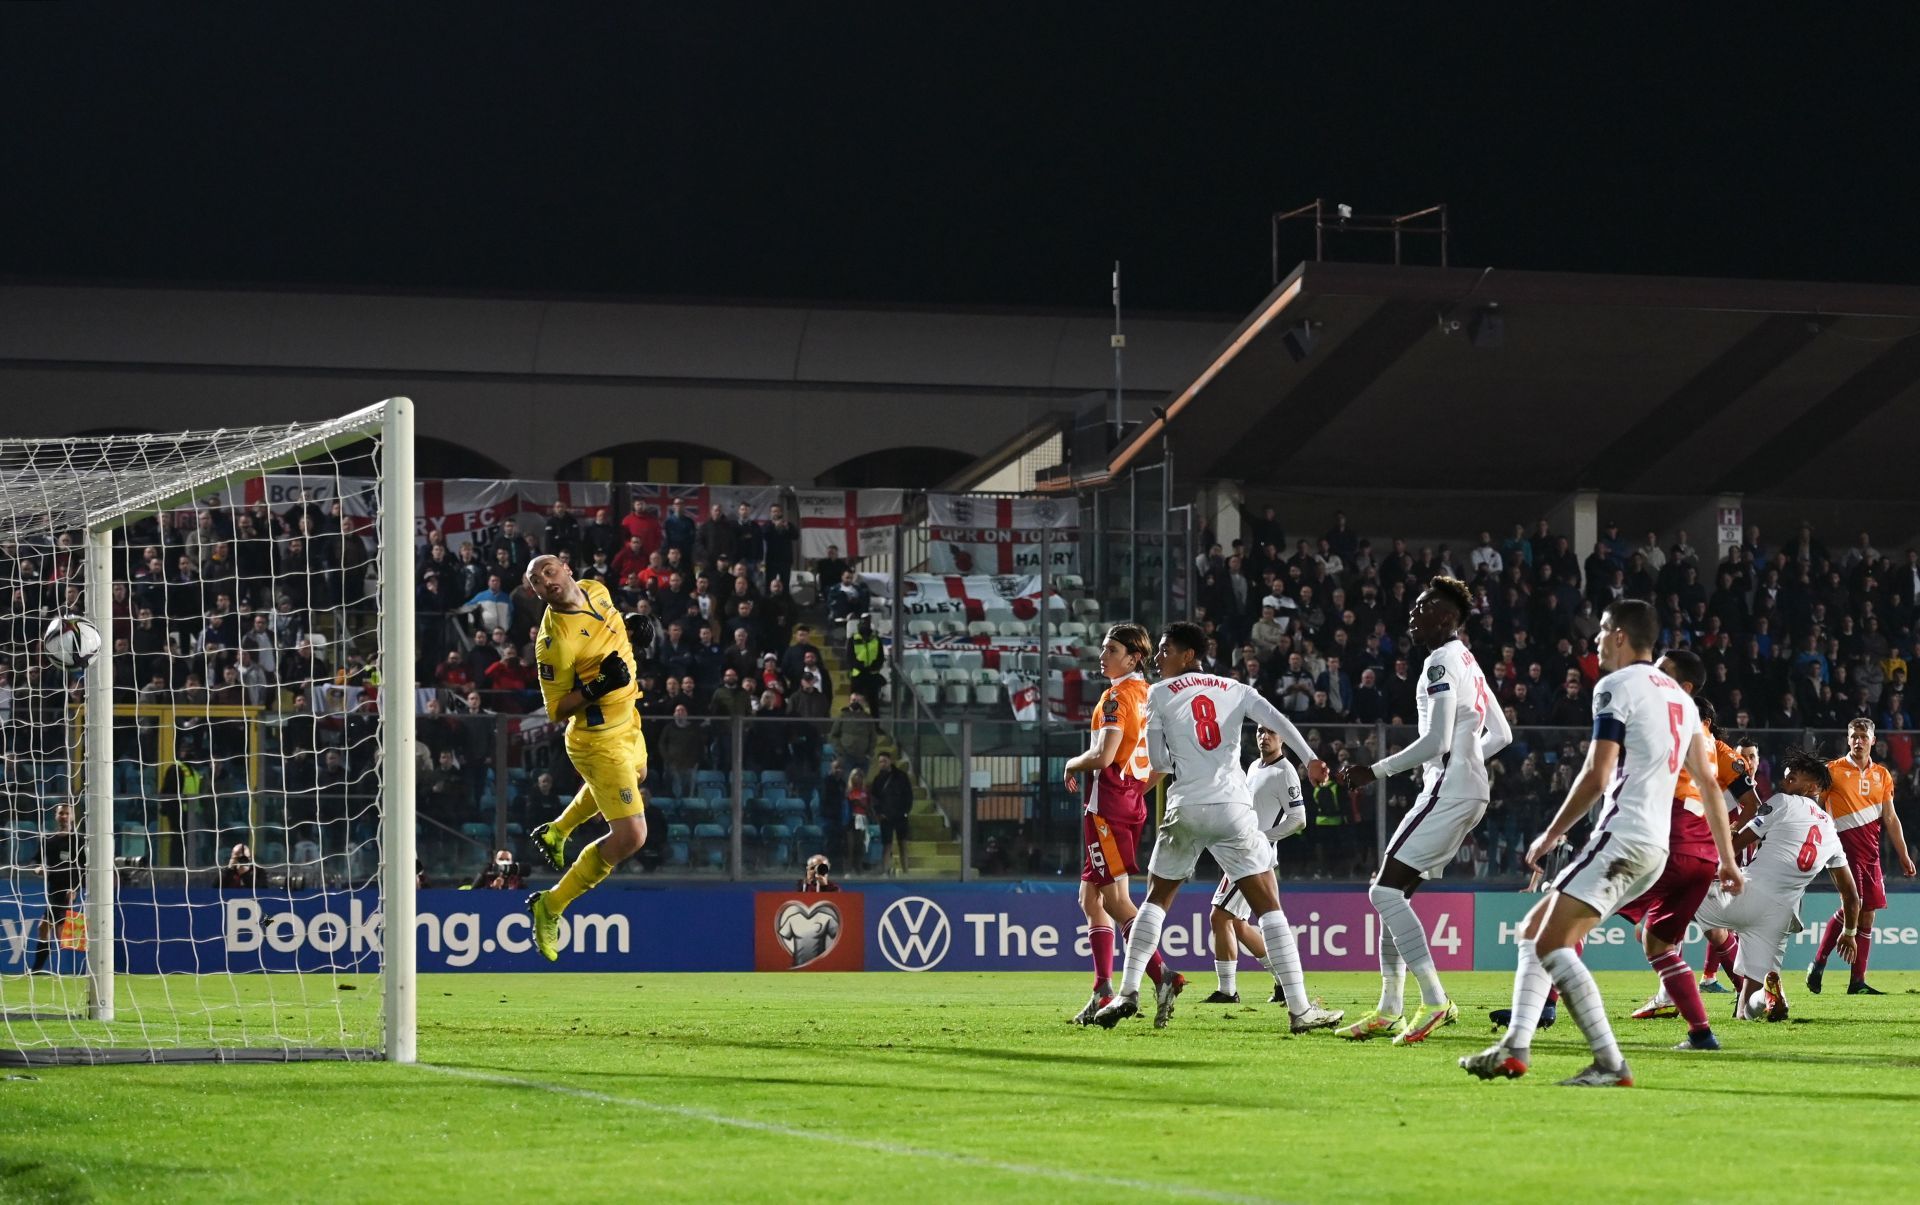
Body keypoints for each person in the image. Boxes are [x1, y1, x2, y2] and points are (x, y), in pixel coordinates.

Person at [1462, 599, 1742, 1087]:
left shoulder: (1616, 686)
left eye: (1601, 632)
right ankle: (1516, 1047)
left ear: (1618, 635)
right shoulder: (1683, 703)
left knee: (1548, 939)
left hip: (1624, 835)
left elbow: (1598, 772)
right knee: (1537, 932)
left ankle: (1608, 1061)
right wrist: (1729, 860)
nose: (1594, 641)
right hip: (1656, 846)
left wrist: (1552, 833)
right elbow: (1712, 786)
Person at [1091, 622, 1342, 1035]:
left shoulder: (1157, 694)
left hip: (1186, 807)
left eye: (1166, 649)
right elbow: (1277, 717)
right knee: (1269, 909)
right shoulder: (1235, 689)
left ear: (1189, 654)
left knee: (1154, 902)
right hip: (1231, 809)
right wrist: (1312, 759)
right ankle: (1300, 1009)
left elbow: (1159, 761)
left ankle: (1128, 993)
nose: (1158, 658)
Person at [1337, 577, 1513, 1045]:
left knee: (1382, 894)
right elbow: (1501, 734)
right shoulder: (1469, 661)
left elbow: (1435, 741)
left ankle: (1434, 1000)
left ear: (1448, 616)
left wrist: (1372, 771)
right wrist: (1469, 757)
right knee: (1393, 894)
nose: (1413, 615)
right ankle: (1390, 1007)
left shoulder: (1439, 662)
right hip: (1465, 789)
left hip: (1448, 790)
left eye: (1423, 607)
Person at [1617, 660, 1760, 1051]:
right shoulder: (1721, 752)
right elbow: (1747, 803)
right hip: (1706, 847)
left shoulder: (1690, 735)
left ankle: (1541, 1008)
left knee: (1581, 908)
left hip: (1683, 842)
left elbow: (1751, 804)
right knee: (1689, 929)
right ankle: (1720, 1005)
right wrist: (1728, 843)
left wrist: (1730, 836)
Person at [522, 554, 652, 962]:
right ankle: (552, 904)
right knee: (632, 836)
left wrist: (631, 627)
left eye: (548, 571)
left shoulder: (597, 590)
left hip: (627, 718)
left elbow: (608, 630)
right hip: (597, 738)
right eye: (536, 581)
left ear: (566, 567)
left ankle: (558, 830)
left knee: (640, 772)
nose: (545, 580)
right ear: (536, 593)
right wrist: (598, 687)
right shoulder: (554, 641)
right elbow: (557, 709)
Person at [1061, 623, 1176, 1025]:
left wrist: (1072, 762)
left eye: (1111, 649)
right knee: (1090, 899)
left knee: (1114, 901)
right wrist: (1133, 792)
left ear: (1133, 657)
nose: (1102, 655)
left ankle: (1162, 976)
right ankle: (1102, 987)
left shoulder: (1116, 698)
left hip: (1107, 808)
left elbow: (1105, 755)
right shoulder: (1152, 696)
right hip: (1127, 802)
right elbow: (1165, 763)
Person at [1698, 752, 1858, 1021]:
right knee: (1746, 1012)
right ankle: (1770, 995)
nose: (1784, 783)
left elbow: (1735, 844)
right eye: (1784, 778)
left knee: (1677, 897)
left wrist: (1712, 840)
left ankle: (1666, 992)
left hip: (1749, 893)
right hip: (1781, 916)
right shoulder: (1831, 831)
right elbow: (1851, 896)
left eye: (1792, 778)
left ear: (1813, 788)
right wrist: (1850, 932)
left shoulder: (1783, 802)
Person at [1807, 718, 1916, 994]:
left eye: (1863, 736)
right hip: (1843, 852)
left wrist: (1903, 855)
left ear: (1873, 740)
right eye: (1853, 736)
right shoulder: (1831, 771)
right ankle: (1819, 964)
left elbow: (1890, 818)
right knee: (1853, 906)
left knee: (1867, 916)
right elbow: (1814, 809)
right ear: (1847, 739)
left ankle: (1856, 982)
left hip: (1871, 854)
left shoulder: (1882, 774)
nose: (1858, 741)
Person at [1203, 725, 1308, 1007]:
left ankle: (1227, 991)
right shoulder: (1254, 766)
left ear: (1282, 737)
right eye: (1260, 731)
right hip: (1242, 853)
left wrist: (1262, 838)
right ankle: (1283, 981)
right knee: (1236, 923)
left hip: (1253, 856)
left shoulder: (1285, 772)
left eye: (1271, 732)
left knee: (1219, 916)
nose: (1264, 736)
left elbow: (1298, 818)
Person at [29, 803, 82, 973]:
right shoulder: (48, 840)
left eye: (67, 813)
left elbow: (85, 868)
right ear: (56, 816)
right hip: (53, 889)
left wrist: (76, 888)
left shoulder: (79, 840)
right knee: (52, 930)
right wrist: (38, 869)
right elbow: (36, 861)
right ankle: (43, 970)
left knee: (47, 928)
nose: (64, 816)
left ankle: (37, 970)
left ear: (73, 817)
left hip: (68, 891)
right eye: (61, 813)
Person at [869, 752, 913, 876]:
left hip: (900, 815)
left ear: (890, 761)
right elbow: (874, 798)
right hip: (886, 816)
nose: (882, 764)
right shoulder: (878, 779)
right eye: (880, 762)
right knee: (887, 845)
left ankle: (906, 871)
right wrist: (879, 813)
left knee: (903, 843)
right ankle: (884, 870)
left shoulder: (901, 776)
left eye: (884, 761)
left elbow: (908, 795)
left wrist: (905, 811)